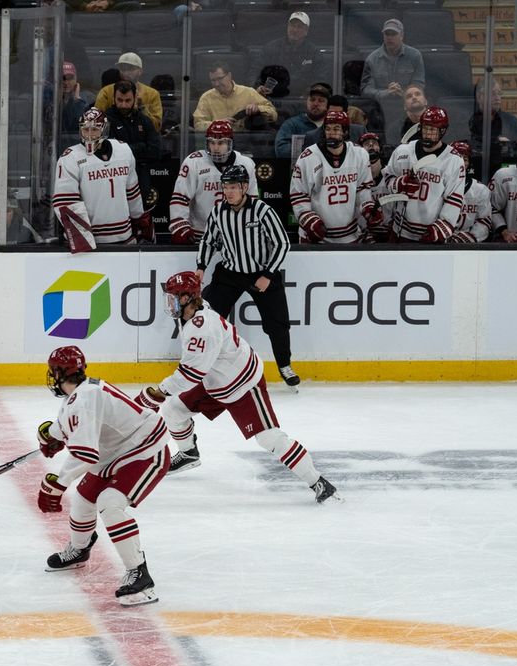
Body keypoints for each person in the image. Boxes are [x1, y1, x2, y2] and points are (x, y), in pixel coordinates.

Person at [140, 271, 339, 503]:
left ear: (187, 298)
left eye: (173, 297)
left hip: (243, 383)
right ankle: (188, 453)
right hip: (215, 379)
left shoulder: (202, 328)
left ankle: (318, 482)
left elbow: (190, 374)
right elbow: (197, 369)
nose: (169, 302)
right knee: (174, 410)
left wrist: (158, 392)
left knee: (269, 438)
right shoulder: (193, 311)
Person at [36, 345, 170, 606]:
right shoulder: (79, 396)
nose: (52, 377)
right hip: (117, 452)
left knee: (110, 502)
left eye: (54, 372)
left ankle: (140, 574)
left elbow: (86, 454)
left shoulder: (82, 400)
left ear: (62, 373)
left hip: (146, 450)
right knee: (84, 499)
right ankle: (80, 549)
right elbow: (67, 425)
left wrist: (57, 483)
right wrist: (51, 434)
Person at [197, 164, 298, 387]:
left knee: (278, 324)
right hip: (229, 274)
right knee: (208, 319)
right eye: (226, 187)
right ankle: (203, 365)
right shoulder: (218, 212)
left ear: (244, 187)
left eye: (233, 187)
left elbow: (282, 243)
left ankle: (284, 365)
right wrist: (201, 266)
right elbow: (208, 241)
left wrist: (268, 274)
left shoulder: (262, 210)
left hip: (261, 274)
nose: (229, 191)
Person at [53, 107, 151, 253]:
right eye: (85, 130)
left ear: (104, 129)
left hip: (124, 236)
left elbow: (132, 190)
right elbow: (65, 201)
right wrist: (82, 238)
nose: (90, 134)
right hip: (92, 243)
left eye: (95, 129)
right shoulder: (70, 157)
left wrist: (139, 220)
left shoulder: (123, 150)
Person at [289, 110, 378, 244]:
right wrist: (308, 219)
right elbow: (299, 195)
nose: (331, 133)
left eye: (336, 129)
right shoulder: (308, 157)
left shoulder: (359, 154)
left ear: (346, 132)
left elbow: (363, 189)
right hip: (317, 237)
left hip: (351, 235)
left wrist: (368, 207)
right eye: (328, 129)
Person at [379, 106, 464, 242]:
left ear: (442, 131)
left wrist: (440, 229)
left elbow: (454, 200)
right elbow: (388, 178)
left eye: (432, 130)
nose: (428, 134)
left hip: (430, 235)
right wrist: (399, 184)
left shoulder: (453, 160)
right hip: (400, 231)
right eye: (425, 128)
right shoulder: (403, 151)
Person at [168, 119, 258, 244]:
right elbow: (180, 198)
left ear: (230, 143)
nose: (215, 148)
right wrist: (180, 226)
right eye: (211, 142)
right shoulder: (194, 162)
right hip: (201, 235)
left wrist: (249, 229)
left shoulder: (246, 164)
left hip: (235, 235)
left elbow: (252, 202)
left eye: (221, 143)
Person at [360, 19, 425, 145]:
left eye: (393, 34)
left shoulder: (415, 56)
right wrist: (385, 92)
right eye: (387, 34)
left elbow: (419, 84)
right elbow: (365, 90)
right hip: (382, 110)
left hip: (407, 109)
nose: (390, 37)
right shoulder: (372, 59)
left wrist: (404, 92)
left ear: (402, 35)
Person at [104, 80, 161, 195]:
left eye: (128, 100)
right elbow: (108, 152)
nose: (124, 105)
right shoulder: (106, 120)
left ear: (135, 98)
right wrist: (141, 146)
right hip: (113, 176)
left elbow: (155, 151)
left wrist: (123, 149)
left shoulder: (144, 120)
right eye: (120, 100)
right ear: (114, 98)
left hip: (140, 175)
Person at [255, 11, 324, 99]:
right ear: (287, 27)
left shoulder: (314, 52)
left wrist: (311, 92)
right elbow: (256, 71)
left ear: (306, 31)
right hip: (272, 98)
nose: (295, 30)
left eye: (299, 27)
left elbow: (321, 78)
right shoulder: (270, 48)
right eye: (292, 25)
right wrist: (257, 87)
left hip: (303, 100)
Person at [192, 61, 276, 132]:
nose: (216, 84)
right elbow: (198, 125)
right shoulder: (206, 97)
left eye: (220, 78)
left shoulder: (248, 92)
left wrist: (258, 109)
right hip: (218, 143)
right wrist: (218, 124)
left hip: (245, 142)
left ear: (229, 75)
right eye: (213, 80)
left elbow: (273, 114)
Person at [469, 78, 517, 173]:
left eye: (499, 93)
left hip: (503, 173)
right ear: (480, 97)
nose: (497, 98)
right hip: (474, 172)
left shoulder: (510, 121)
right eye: (492, 94)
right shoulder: (467, 120)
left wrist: (511, 146)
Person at [94, 52, 161, 129]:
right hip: (114, 138)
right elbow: (96, 123)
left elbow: (157, 126)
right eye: (122, 68)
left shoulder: (152, 94)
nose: (126, 72)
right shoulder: (106, 92)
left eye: (130, 68)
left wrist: (142, 109)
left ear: (140, 71)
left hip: (142, 139)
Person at [447, 140, 492, 244]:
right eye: (457, 157)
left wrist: (471, 237)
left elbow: (484, 221)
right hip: (442, 240)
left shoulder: (480, 190)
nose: (461, 162)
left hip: (469, 245)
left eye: (465, 159)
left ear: (469, 163)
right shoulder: (439, 186)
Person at [273, 82, 330, 159]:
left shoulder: (332, 125)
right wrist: (311, 150)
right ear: (306, 102)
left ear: (327, 105)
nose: (316, 103)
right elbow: (281, 151)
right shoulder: (292, 124)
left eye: (321, 100)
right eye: (312, 99)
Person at [358, 132, 392, 241]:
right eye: (367, 143)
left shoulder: (390, 174)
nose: (371, 145)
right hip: (364, 235)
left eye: (374, 143)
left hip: (389, 233)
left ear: (381, 148)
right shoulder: (355, 177)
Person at [58, 61, 93, 150]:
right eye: (63, 78)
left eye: (70, 78)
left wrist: (77, 101)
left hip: (79, 146)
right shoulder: (51, 100)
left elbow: (84, 124)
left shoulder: (88, 98)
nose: (66, 82)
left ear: (76, 79)